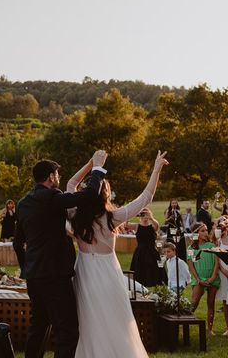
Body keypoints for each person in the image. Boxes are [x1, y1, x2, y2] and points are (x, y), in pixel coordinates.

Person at [69, 150, 168, 358]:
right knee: (116, 321)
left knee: (89, 323)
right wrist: (156, 169)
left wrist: (91, 164)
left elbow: (70, 184)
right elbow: (146, 197)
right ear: (106, 194)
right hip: (107, 273)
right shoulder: (113, 217)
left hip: (85, 272)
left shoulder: (75, 214)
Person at [16, 150, 108, 358]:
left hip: (34, 277)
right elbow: (88, 195)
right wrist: (97, 168)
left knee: (38, 327)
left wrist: (26, 268)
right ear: (51, 177)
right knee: (67, 331)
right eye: (57, 175)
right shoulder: (52, 197)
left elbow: (16, 242)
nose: (58, 178)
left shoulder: (23, 203)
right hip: (55, 276)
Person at [188, 222, 220, 335]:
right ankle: (185, 320)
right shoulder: (191, 248)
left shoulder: (212, 246)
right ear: (196, 233)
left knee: (211, 303)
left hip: (212, 278)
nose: (206, 232)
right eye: (202, 230)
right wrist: (198, 279)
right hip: (199, 279)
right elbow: (191, 264)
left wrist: (213, 277)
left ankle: (210, 329)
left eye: (206, 230)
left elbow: (217, 262)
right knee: (194, 301)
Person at [127, 207, 164, 287]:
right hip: (140, 252)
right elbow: (125, 224)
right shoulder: (137, 226)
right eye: (142, 214)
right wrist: (134, 214)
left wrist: (151, 217)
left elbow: (157, 225)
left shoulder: (153, 225)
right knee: (140, 272)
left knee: (153, 271)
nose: (144, 216)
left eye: (146, 214)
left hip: (152, 251)